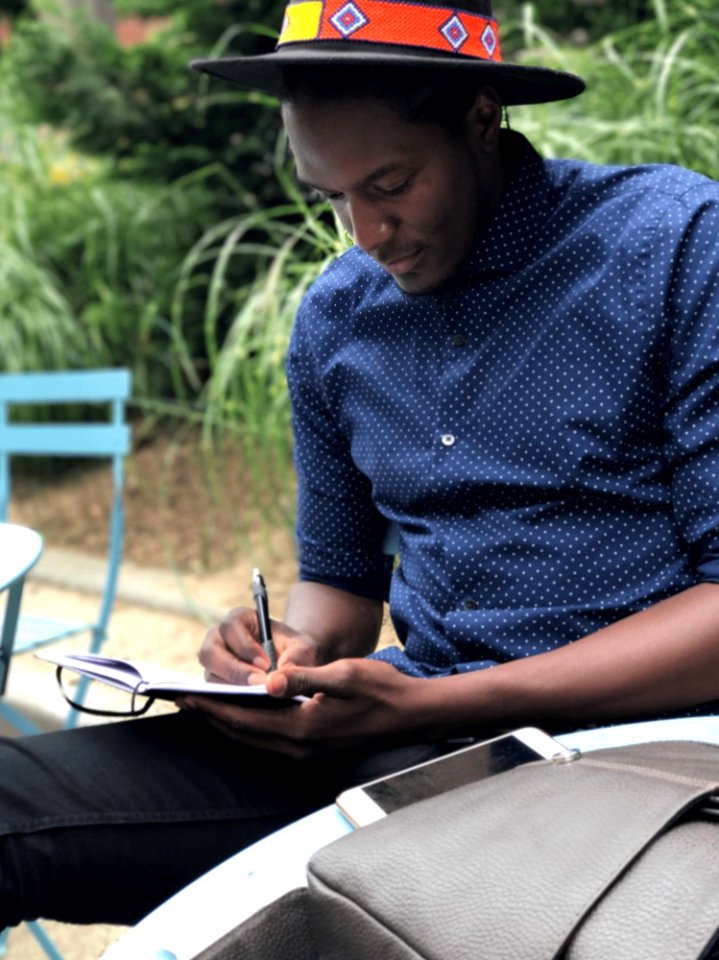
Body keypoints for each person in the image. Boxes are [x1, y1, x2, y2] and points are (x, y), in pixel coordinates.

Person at [2, 0, 719, 932]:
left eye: (390, 183)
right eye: (330, 196)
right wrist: (280, 657)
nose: (365, 235)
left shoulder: (670, 246)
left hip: (644, 756)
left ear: (480, 115)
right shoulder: (337, 318)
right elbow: (338, 592)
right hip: (410, 742)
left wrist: (438, 699)